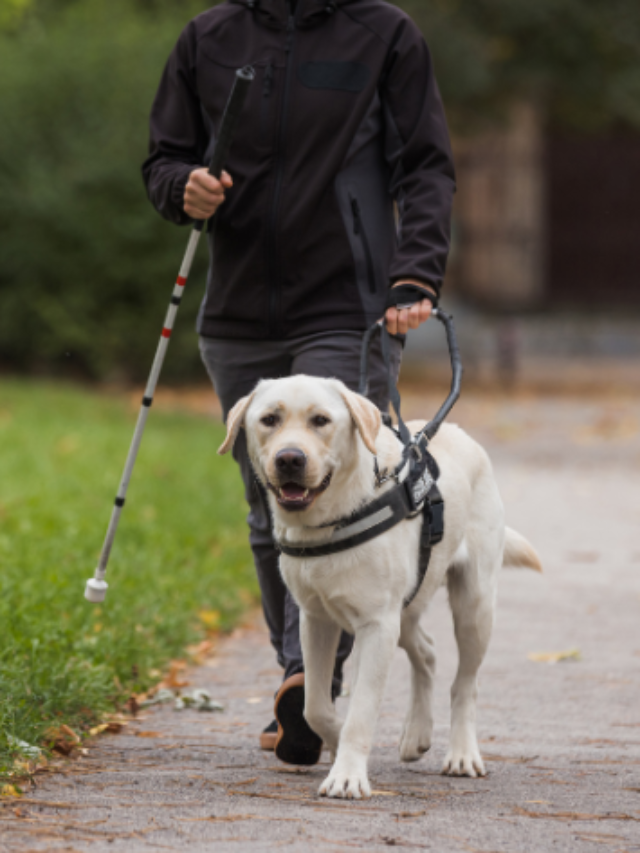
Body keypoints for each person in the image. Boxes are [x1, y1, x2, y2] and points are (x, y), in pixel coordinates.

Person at [142, 0, 455, 765]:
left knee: (344, 488)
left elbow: (425, 163)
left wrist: (415, 268)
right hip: (239, 304)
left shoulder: (383, 34)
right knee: (269, 501)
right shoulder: (208, 38)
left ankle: (302, 685)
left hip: (348, 299)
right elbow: (162, 158)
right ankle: (303, 677)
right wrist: (183, 185)